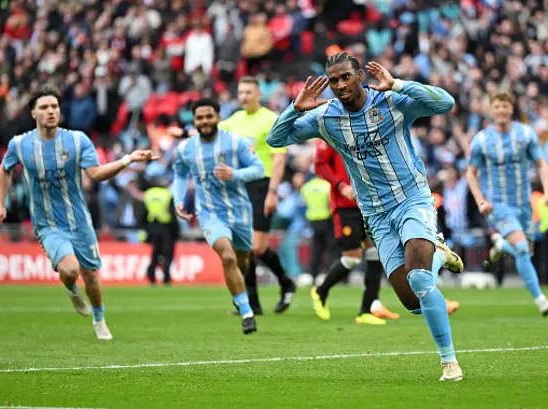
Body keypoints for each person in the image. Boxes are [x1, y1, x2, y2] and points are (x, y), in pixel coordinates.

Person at [267, 52, 464, 381]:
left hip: (412, 199)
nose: (341, 85)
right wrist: (295, 108)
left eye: (346, 77)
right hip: (376, 214)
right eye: (334, 81)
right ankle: (439, 253)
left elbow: (445, 103)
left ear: (359, 75)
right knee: (414, 302)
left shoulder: (392, 102)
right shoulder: (325, 116)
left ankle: (449, 361)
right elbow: (276, 138)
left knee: (419, 279)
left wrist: (399, 84)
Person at [0, 86, 157, 340]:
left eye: (55, 106)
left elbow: (97, 174)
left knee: (91, 275)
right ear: (34, 112)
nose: (51, 111)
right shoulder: (21, 144)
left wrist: (128, 159)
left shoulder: (78, 140)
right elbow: (4, 170)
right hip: (47, 223)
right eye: (45, 107)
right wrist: (0, 204)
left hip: (80, 221)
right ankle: (70, 288)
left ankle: (99, 319)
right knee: (70, 270)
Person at [314, 140, 462, 324]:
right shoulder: (331, 125)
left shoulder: (367, 124)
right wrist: (341, 186)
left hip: (371, 203)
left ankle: (368, 308)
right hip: (346, 206)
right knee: (353, 257)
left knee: (376, 253)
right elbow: (319, 165)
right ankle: (321, 291)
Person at [172, 98, 264, 334]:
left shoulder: (235, 142)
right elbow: (180, 175)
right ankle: (247, 312)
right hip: (209, 212)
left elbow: (259, 170)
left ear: (218, 117)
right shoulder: (185, 149)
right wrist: (179, 199)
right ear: (194, 121)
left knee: (242, 260)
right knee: (228, 257)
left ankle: (238, 292)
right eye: (200, 118)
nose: (204, 121)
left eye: (208, 116)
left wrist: (235, 174)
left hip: (240, 210)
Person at [466, 91, 548, 317]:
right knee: (523, 249)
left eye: (505, 106)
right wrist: (481, 200)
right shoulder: (482, 139)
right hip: (499, 205)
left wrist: (546, 192)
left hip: (523, 204)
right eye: (497, 107)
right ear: (491, 110)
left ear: (511, 108)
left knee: (526, 251)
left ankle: (500, 245)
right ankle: (540, 299)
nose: (501, 111)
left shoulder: (526, 134)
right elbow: (471, 173)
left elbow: (542, 163)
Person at [219, 76, 296, 314]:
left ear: (258, 94)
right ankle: (253, 302)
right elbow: (209, 135)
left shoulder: (271, 120)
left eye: (248, 92)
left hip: (262, 185)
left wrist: (273, 192)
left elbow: (279, 158)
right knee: (245, 246)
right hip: (239, 186)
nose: (244, 96)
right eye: (241, 92)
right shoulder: (233, 121)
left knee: (257, 247)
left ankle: (286, 282)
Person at [142, 176, 179, 286]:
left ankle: (151, 277)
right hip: (166, 228)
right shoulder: (167, 194)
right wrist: (176, 232)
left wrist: (145, 228)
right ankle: (166, 278)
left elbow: (143, 213)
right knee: (168, 254)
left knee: (154, 254)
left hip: (152, 227)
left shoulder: (148, 194)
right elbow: (172, 214)